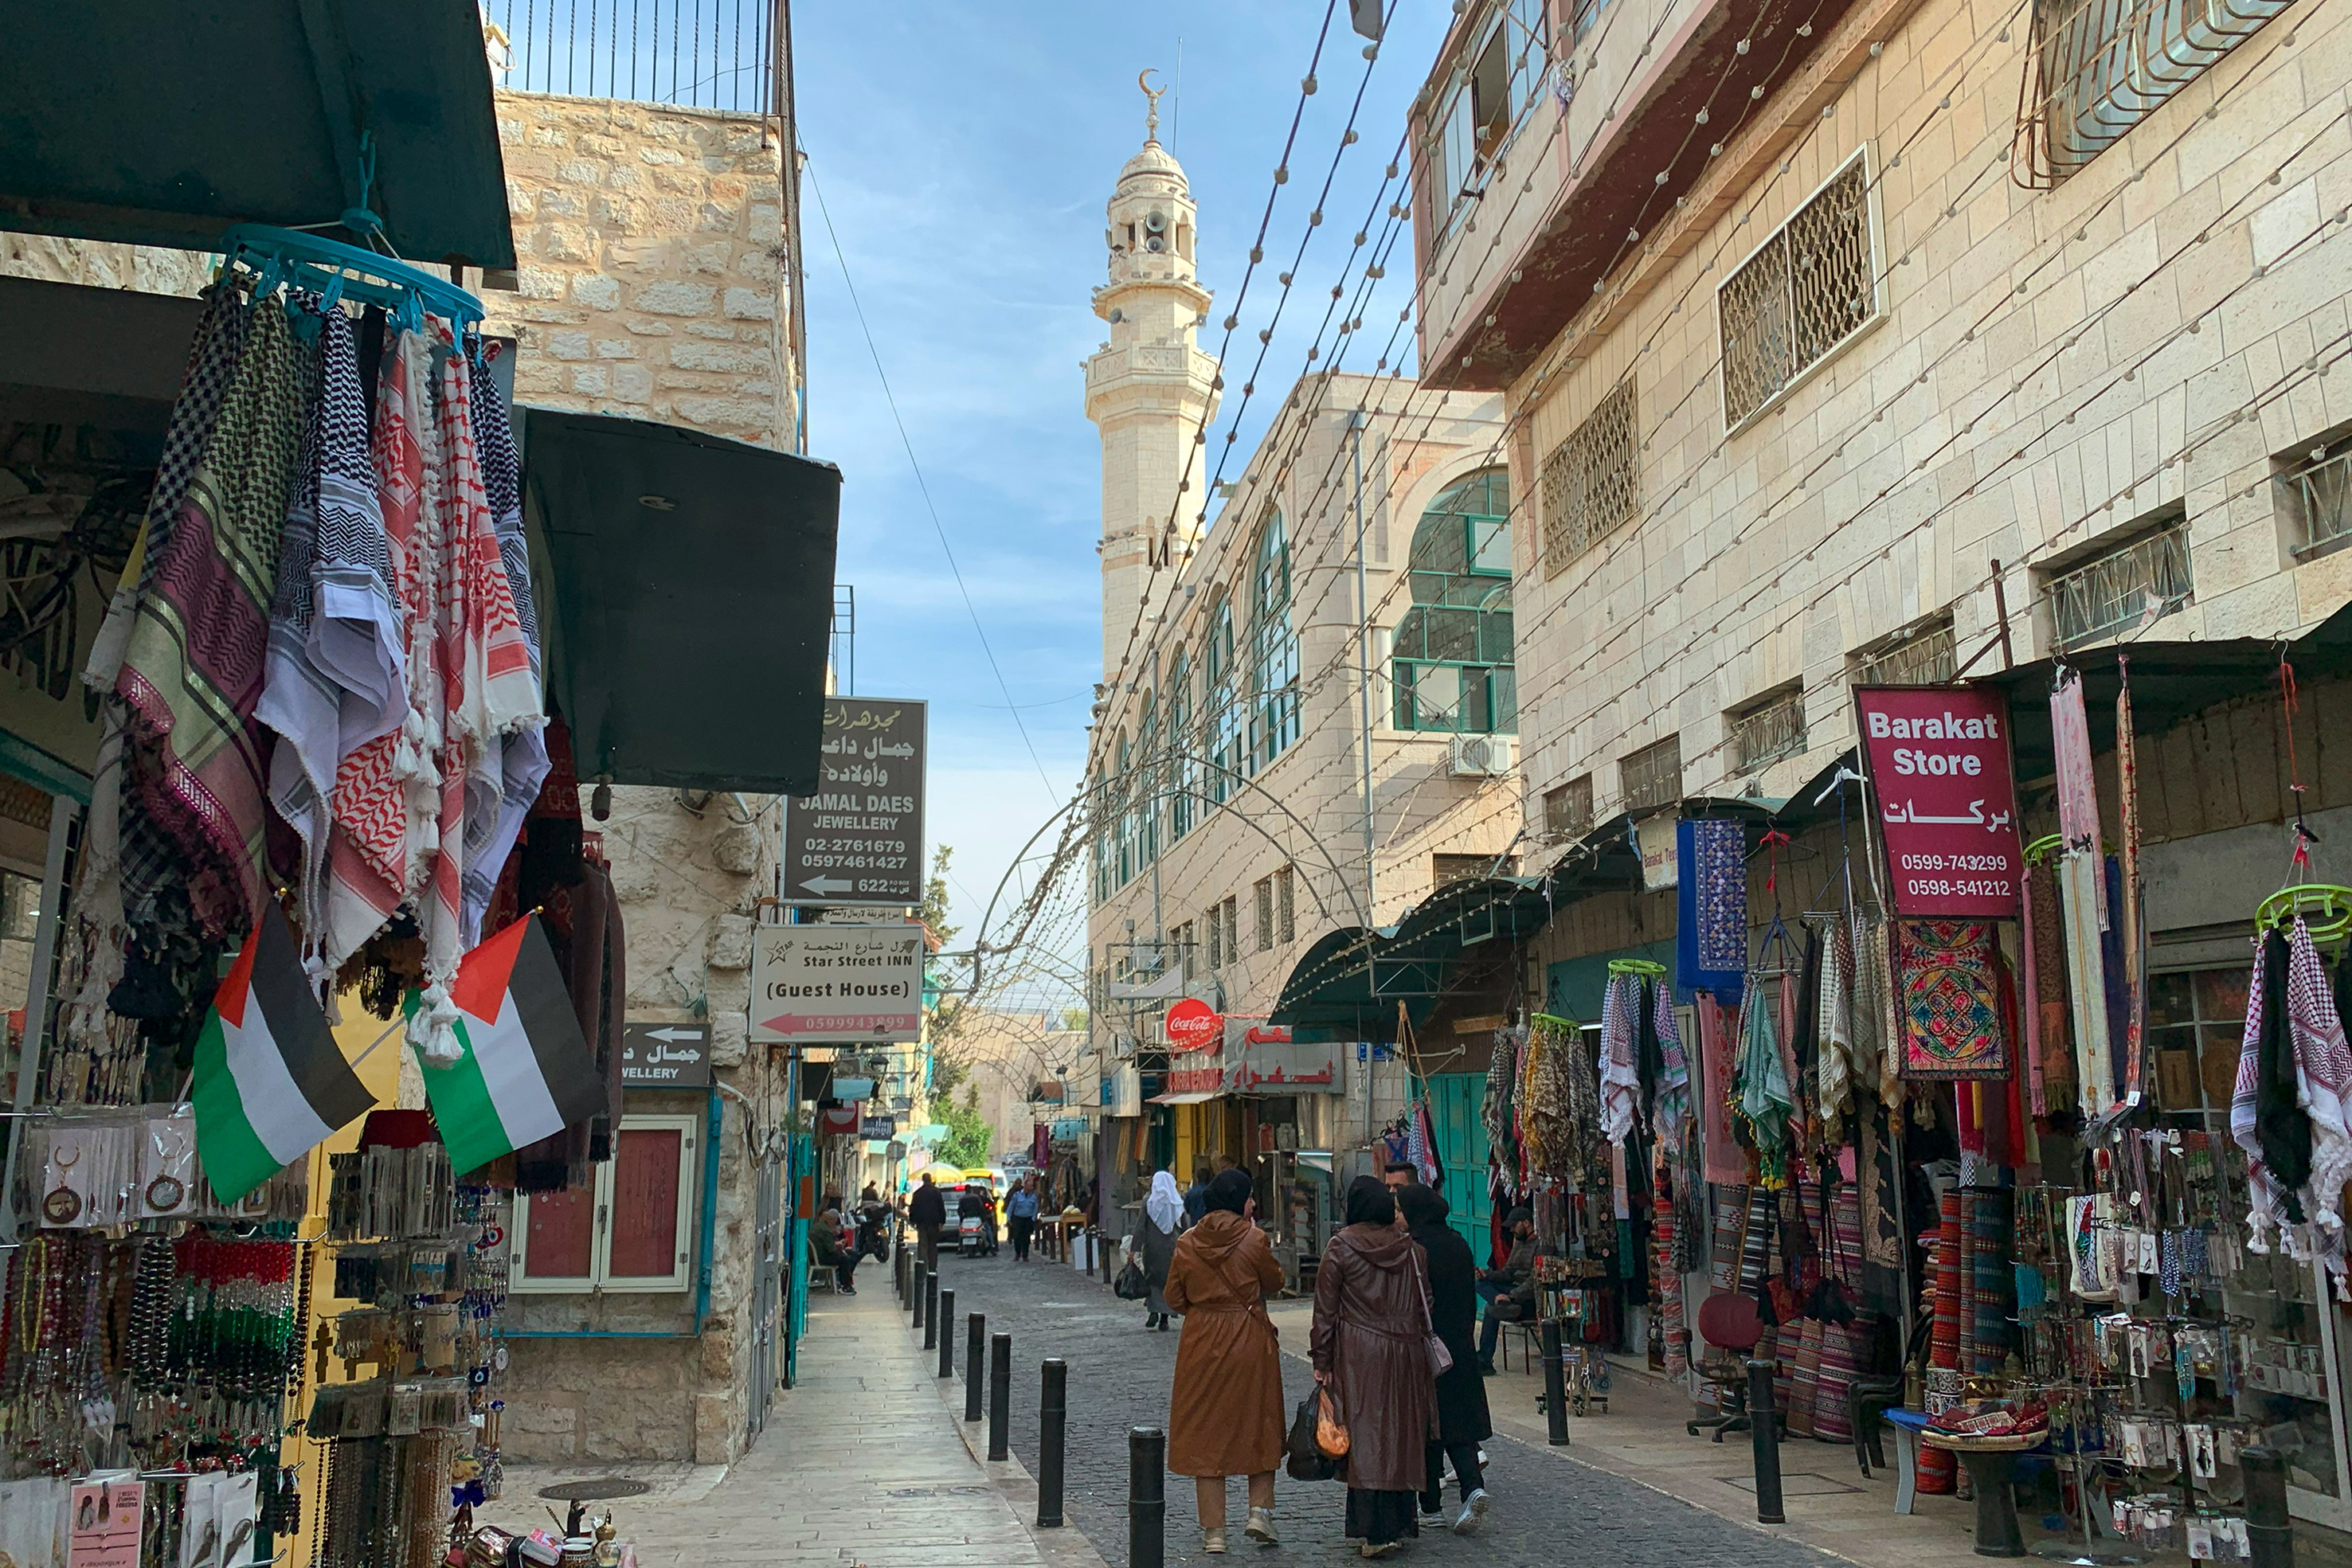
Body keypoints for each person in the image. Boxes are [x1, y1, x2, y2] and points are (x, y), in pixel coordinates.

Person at [1312, 1175, 1437, 1559]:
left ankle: (1372, 1529)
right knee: (1400, 1433)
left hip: (1358, 1351)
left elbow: (1326, 1310)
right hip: (1406, 1352)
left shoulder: (1339, 1248)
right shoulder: (1413, 1251)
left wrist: (1322, 1359)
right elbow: (1426, 1304)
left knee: (1365, 1436)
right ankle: (1399, 1522)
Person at [1164, 1168, 1284, 1554]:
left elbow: (1174, 1298)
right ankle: (1259, 1512)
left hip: (1201, 1340)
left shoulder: (1186, 1243)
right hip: (1248, 1336)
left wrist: (1205, 1308)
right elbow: (1275, 1282)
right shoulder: (1254, 1239)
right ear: (1238, 1202)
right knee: (1259, 1420)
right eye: (1249, 1197)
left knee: (1204, 1430)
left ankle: (1214, 1532)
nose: (1253, 1204)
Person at [1395, 1185, 1491, 1534]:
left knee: (1427, 1428)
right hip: (1459, 1347)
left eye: (1401, 1210)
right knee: (1459, 1426)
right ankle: (1472, 1487)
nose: (1398, 1217)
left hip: (1428, 1349)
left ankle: (1431, 1506)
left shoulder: (1413, 1249)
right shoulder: (1459, 1244)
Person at [1477, 1208, 1538, 1374]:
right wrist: (1487, 1273)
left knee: (1491, 1309)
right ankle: (1499, 1300)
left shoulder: (1540, 1246)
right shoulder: (1519, 1242)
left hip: (1525, 1298)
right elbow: (1507, 1272)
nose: (1511, 1230)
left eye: (1514, 1226)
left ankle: (1484, 1359)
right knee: (1480, 1282)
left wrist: (1511, 1296)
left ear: (1526, 1223)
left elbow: (1534, 1282)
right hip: (1510, 1291)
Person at [1139, 1169, 1185, 1330]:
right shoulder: (1177, 1202)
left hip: (1152, 1248)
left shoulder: (1148, 1201)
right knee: (1168, 1281)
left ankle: (1153, 1311)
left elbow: (1140, 1227)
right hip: (1171, 1247)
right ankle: (1164, 1318)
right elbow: (1185, 1228)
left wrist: (1134, 1249)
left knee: (1152, 1279)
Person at [809, 1208, 859, 1293]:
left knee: (848, 1255)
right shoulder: (825, 1230)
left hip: (817, 1254)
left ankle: (843, 1281)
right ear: (833, 1220)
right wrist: (841, 1249)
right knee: (845, 1259)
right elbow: (831, 1249)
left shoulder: (820, 1226)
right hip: (821, 1257)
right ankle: (846, 1286)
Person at [909, 1175, 947, 1268]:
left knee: (922, 1245)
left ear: (923, 1180)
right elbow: (941, 1207)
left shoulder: (918, 1193)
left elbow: (913, 1208)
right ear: (930, 1180)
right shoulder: (936, 1192)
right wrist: (942, 1221)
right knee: (932, 1246)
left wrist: (912, 1220)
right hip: (933, 1223)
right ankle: (932, 1267)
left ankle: (922, 1266)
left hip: (921, 1223)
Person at [1008, 1175, 1042, 1261]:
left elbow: (1035, 1208)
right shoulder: (1017, 1195)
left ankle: (1025, 1255)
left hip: (1028, 1219)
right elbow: (1011, 1206)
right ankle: (1017, 1254)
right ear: (1025, 1186)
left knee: (1026, 1238)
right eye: (1030, 1186)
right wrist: (1008, 1218)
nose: (1031, 1188)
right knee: (1017, 1237)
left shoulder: (1033, 1197)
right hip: (1018, 1219)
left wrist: (1033, 1218)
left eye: (1032, 1186)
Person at [1182, 1160, 1215, 1225]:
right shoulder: (1212, 1192)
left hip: (1195, 1223)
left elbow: (1186, 1208)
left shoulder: (1191, 1192)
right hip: (1209, 1224)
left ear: (1197, 1179)